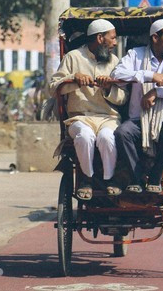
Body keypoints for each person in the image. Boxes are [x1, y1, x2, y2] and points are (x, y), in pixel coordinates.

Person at [112, 19, 163, 194]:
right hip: (139, 118)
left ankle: (156, 176)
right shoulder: (135, 55)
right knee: (121, 133)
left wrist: (157, 92)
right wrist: (149, 75)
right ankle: (136, 178)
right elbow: (117, 75)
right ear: (155, 38)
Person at [49, 19, 128, 200]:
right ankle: (87, 179)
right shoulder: (73, 57)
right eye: (112, 38)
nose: (115, 43)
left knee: (107, 137)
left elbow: (123, 98)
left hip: (108, 117)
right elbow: (54, 88)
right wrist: (73, 78)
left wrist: (108, 88)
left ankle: (109, 180)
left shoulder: (114, 61)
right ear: (100, 38)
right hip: (80, 117)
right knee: (84, 136)